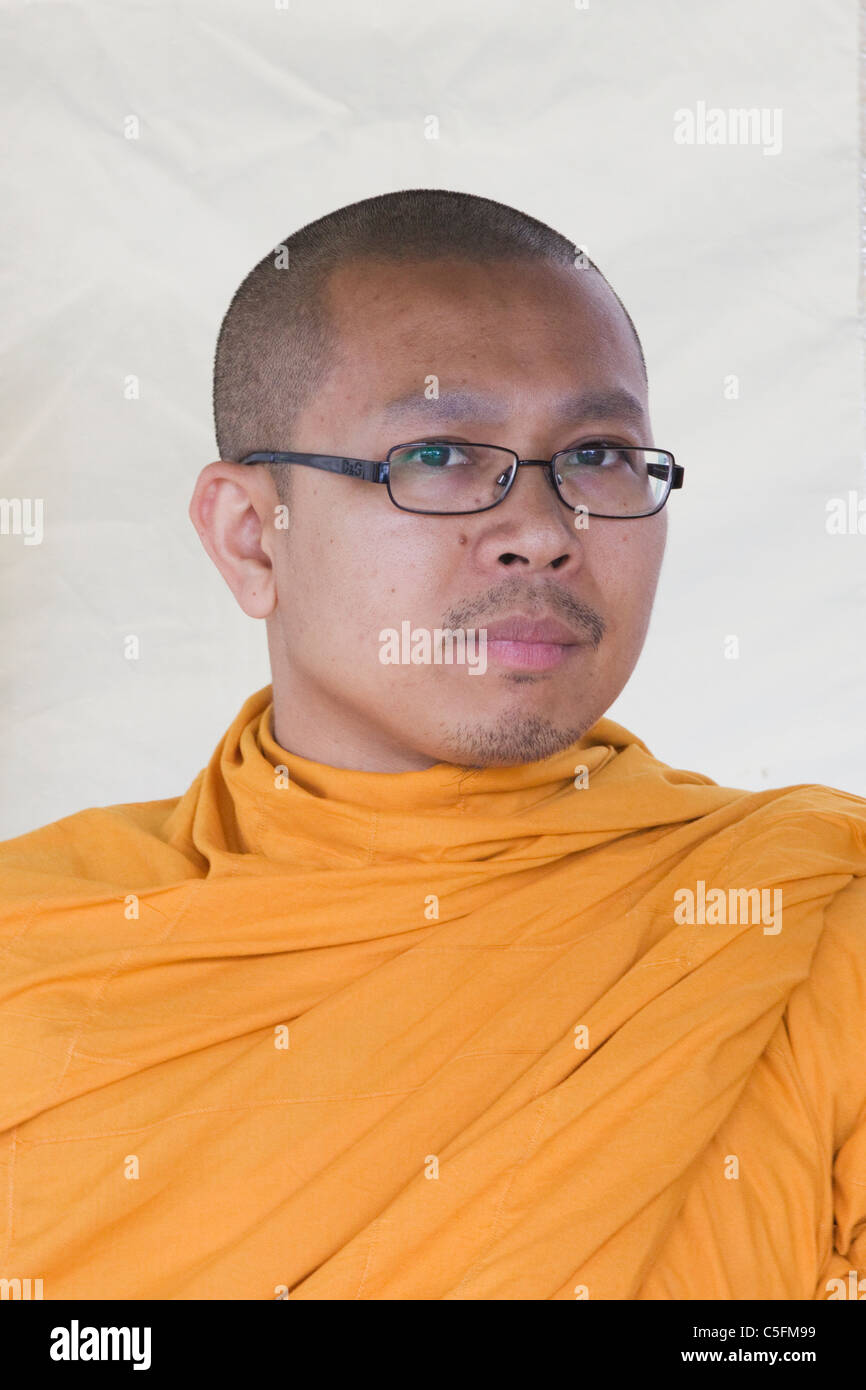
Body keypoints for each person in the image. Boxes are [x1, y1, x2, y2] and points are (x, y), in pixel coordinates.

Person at [1, 188, 864, 1301]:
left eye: (598, 454)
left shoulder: (801, 922)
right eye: (442, 454)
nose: (544, 534)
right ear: (247, 535)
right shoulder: (38, 950)